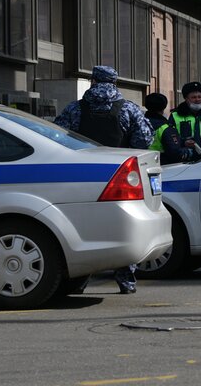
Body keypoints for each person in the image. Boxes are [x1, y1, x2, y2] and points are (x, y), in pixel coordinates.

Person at [54, 65, 154, 294]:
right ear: (115, 82)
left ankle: (80, 279)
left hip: (83, 176)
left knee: (82, 226)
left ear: (93, 82)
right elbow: (143, 141)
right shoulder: (128, 108)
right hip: (121, 175)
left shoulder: (75, 108)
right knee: (121, 226)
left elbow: (58, 136)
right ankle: (126, 280)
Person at [144, 92, 201, 165]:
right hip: (162, 167)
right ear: (164, 106)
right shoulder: (165, 128)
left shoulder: (139, 124)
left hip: (141, 165)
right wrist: (190, 152)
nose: (197, 99)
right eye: (193, 97)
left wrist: (183, 142)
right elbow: (175, 154)